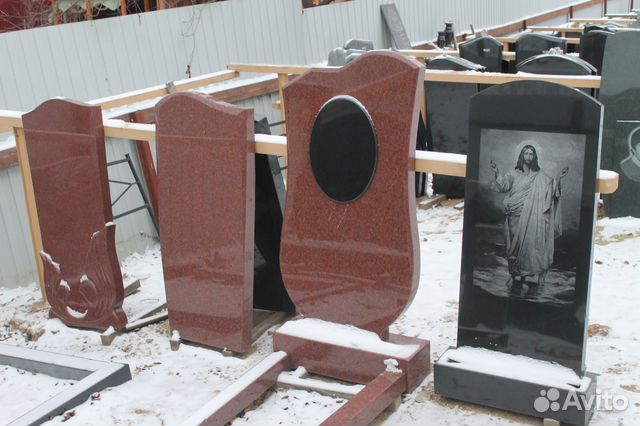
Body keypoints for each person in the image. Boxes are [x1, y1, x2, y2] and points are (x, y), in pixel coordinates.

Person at [490, 144, 569, 287]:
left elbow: (551, 189)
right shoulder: (514, 174)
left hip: (531, 215)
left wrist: (559, 178)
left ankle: (526, 275)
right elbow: (503, 186)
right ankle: (515, 274)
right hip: (514, 214)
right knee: (513, 246)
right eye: (526, 153)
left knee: (529, 246)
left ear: (535, 157)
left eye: (531, 154)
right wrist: (496, 172)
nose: (528, 157)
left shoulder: (540, 177)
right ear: (521, 155)